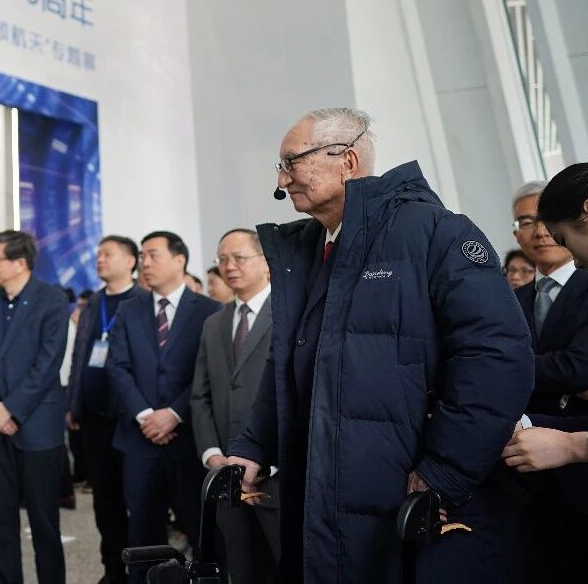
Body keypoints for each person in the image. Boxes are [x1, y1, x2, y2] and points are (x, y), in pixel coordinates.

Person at [226, 107, 533, 584]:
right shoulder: (308, 249)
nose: (282, 181)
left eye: (292, 163)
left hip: (406, 496)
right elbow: (289, 362)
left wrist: (443, 471)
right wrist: (253, 445)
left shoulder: (435, 232)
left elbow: (496, 357)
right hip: (321, 489)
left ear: (347, 160)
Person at [107, 231, 219, 582]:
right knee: (142, 531)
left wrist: (172, 414)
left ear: (179, 259)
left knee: (200, 529)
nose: (145, 263)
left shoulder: (209, 311)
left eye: (153, 255)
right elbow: (117, 367)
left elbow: (206, 374)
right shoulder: (129, 309)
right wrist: (146, 416)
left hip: (188, 439)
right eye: (142, 256)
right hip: (138, 440)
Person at [0, 230, 68, 584]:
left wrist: (10, 409)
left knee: (44, 523)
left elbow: (48, 363)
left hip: (37, 427)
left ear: (20, 263)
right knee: (0, 520)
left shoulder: (51, 299)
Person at [507, 179, 588, 582]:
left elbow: (579, 366)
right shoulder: (509, 301)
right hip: (531, 476)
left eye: (549, 222)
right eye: (527, 221)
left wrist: (502, 368)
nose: (541, 232)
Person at [190, 229, 279, 584]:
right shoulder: (214, 323)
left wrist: (271, 462)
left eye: (239, 258)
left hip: (276, 475)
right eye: (222, 260)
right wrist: (213, 455)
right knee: (240, 568)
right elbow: (201, 396)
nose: (229, 266)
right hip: (226, 475)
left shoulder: (289, 314)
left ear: (266, 263)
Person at [66, 235, 147, 584]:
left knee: (139, 501)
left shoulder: (143, 301)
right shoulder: (94, 303)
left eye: (108, 254)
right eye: (98, 254)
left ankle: (142, 571)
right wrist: (74, 403)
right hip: (95, 419)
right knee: (105, 501)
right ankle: (113, 570)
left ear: (130, 261)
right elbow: (80, 357)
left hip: (131, 420)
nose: (100, 259)